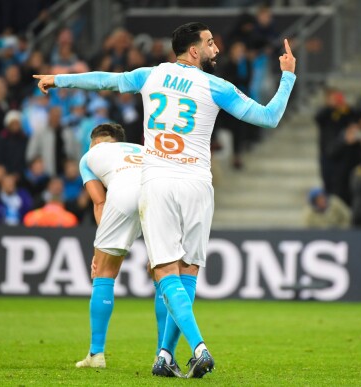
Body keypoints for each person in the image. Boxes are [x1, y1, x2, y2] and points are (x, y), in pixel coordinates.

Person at [34, 21, 296, 378]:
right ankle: (166, 354)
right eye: (210, 43)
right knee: (187, 273)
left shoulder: (149, 76)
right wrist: (288, 78)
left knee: (165, 272)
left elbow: (103, 79)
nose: (215, 49)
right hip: (198, 184)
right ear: (193, 51)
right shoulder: (217, 86)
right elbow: (269, 117)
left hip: (158, 182)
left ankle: (191, 349)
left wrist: (58, 79)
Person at [73, 123, 154, 370]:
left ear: (94, 144)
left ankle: (96, 354)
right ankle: (164, 355)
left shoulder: (90, 157)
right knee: (164, 273)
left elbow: (99, 202)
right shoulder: (143, 149)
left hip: (123, 195)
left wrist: (100, 251)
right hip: (160, 193)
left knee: (103, 273)